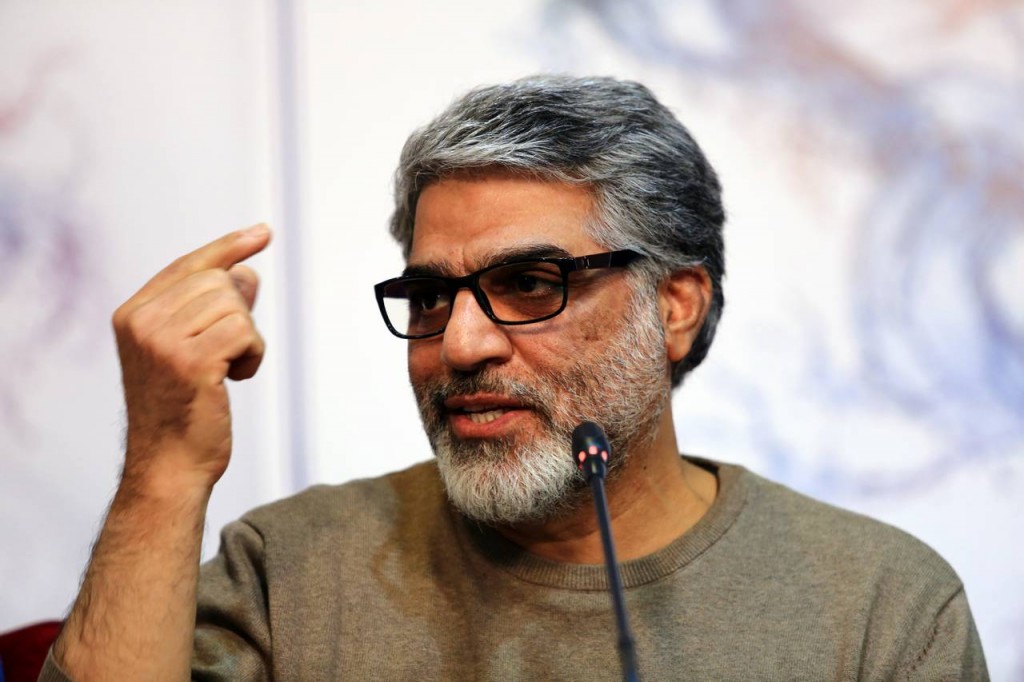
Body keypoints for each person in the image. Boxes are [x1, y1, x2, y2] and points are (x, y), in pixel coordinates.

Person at [43, 76, 987, 680]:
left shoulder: (879, 605)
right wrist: (164, 469)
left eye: (530, 284)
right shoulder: (289, 572)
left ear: (676, 306)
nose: (459, 346)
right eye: (428, 296)